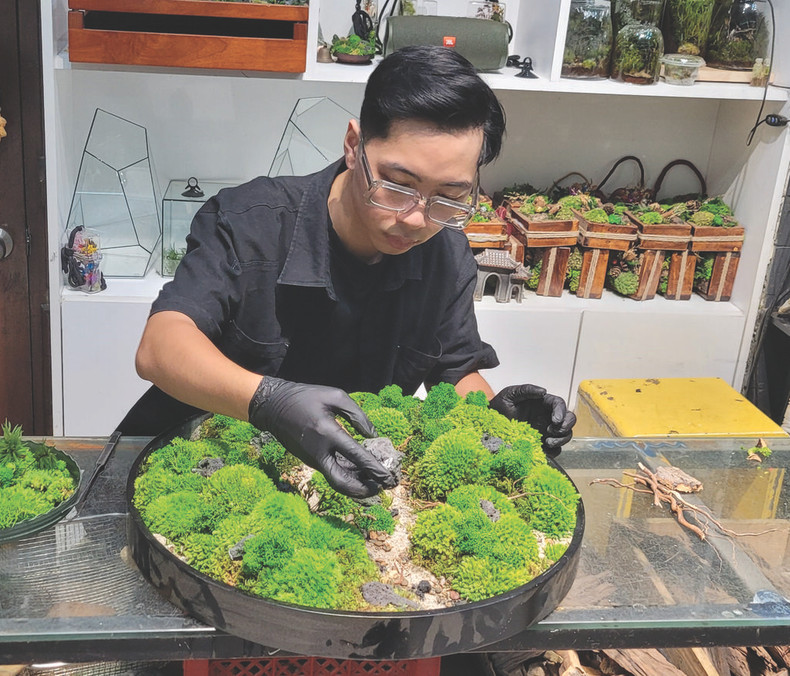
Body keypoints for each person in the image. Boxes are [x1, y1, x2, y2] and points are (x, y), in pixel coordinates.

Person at [127, 45, 576, 499]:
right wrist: (268, 401)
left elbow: (455, 370)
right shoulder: (251, 221)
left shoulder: (445, 254)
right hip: (188, 466)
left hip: (326, 485)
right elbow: (160, 347)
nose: (417, 219)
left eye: (449, 196)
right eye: (398, 186)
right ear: (352, 145)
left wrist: (496, 419)